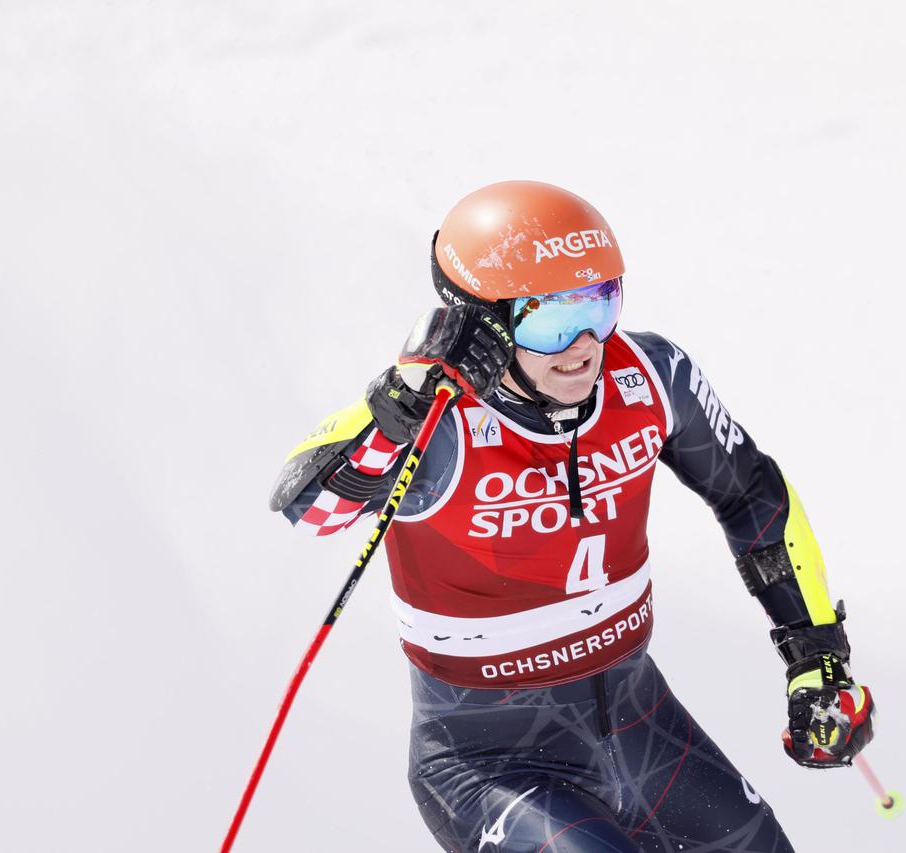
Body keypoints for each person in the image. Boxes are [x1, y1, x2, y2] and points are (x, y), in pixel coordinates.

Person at [269, 181, 875, 852]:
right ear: (484, 323)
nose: (584, 344)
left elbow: (750, 492)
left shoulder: (651, 375)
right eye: (550, 321)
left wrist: (817, 656)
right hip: (493, 766)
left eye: (599, 304)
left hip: (646, 734)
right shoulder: (438, 420)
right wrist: (397, 402)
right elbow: (309, 506)